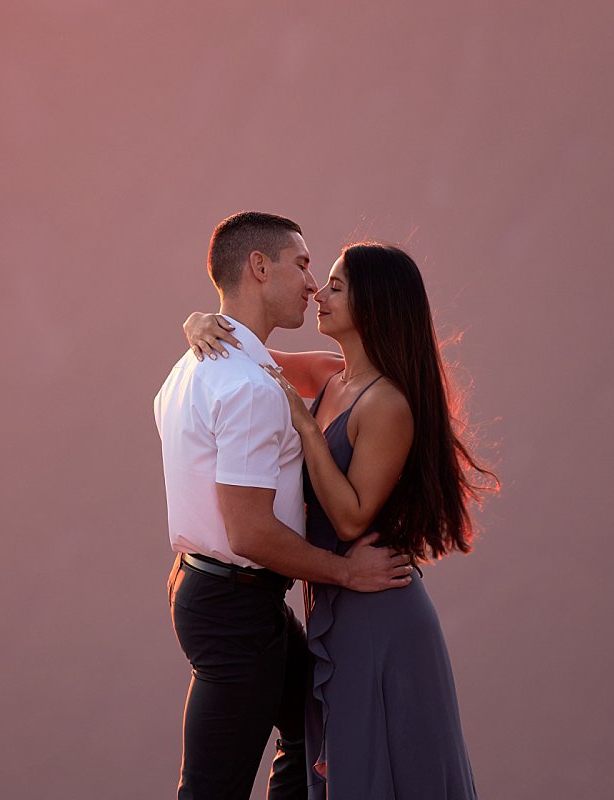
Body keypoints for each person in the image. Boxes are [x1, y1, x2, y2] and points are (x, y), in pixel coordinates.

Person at [185, 242, 496, 799]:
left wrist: (307, 430)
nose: (317, 292)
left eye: (335, 285)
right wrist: (199, 322)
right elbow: (246, 354)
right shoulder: (333, 377)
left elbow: (351, 519)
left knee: (378, 766)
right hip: (335, 594)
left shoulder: (388, 404)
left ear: (374, 302)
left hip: (377, 605)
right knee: (342, 765)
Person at [154, 214, 415, 800]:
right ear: (259, 267)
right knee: (212, 788)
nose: (313, 285)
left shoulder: (201, 367)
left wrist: (203, 321)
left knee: (309, 727)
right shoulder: (248, 386)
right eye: (303, 265)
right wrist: (348, 571)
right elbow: (249, 533)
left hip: (224, 594)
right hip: (234, 602)